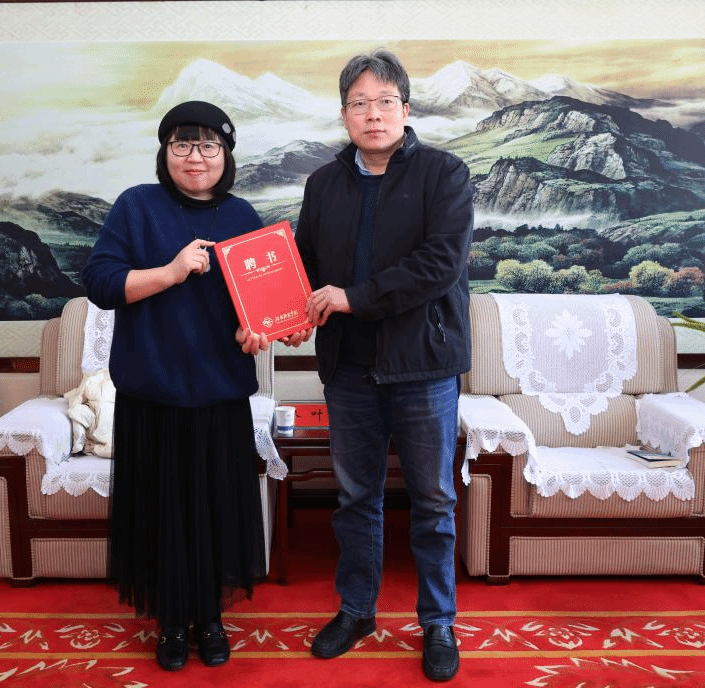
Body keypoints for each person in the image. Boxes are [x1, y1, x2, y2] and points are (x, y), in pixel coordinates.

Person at [291, 49, 473, 682]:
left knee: (433, 501)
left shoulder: (445, 174)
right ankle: (357, 611)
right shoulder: (323, 184)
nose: (374, 114)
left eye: (385, 102)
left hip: (423, 364)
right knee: (355, 498)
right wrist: (290, 313)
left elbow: (439, 265)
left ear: (406, 109)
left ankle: (438, 622)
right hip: (349, 368)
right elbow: (305, 266)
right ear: (344, 114)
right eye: (360, 103)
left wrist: (352, 297)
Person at [81, 101, 270, 672]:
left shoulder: (241, 215)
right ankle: (168, 620)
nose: (196, 156)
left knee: (215, 510)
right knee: (160, 512)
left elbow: (258, 304)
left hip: (220, 391)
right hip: (153, 389)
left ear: (226, 155)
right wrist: (170, 271)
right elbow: (100, 282)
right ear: (165, 153)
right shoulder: (137, 206)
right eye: (182, 144)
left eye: (209, 145)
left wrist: (255, 329)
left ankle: (210, 617)